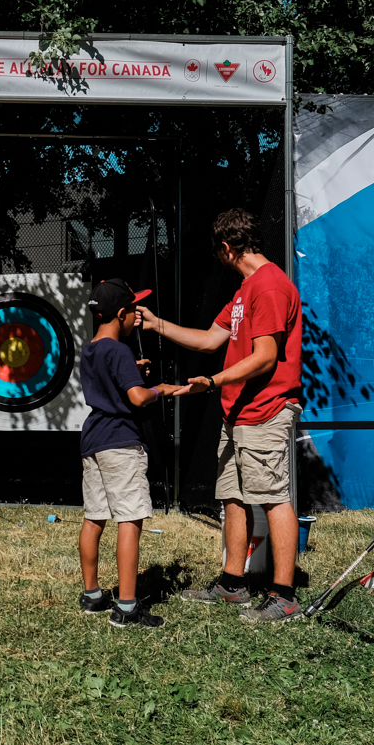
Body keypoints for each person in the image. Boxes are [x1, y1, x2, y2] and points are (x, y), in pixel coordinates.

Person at [138, 208, 304, 623]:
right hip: (239, 414)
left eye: (218, 254)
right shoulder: (245, 289)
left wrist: (211, 383)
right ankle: (233, 584)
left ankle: (283, 595)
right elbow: (212, 339)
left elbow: (265, 358)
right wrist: (158, 325)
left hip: (266, 409)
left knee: (272, 498)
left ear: (227, 248)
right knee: (232, 495)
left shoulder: (269, 287)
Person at [76, 279, 179, 628]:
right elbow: (136, 398)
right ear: (121, 314)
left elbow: (110, 383)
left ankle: (92, 596)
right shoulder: (119, 351)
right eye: (134, 310)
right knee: (129, 521)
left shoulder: (90, 349)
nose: (138, 315)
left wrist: (132, 373)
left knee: (94, 518)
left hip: (93, 442)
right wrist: (157, 389)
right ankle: (127, 608)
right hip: (120, 442)